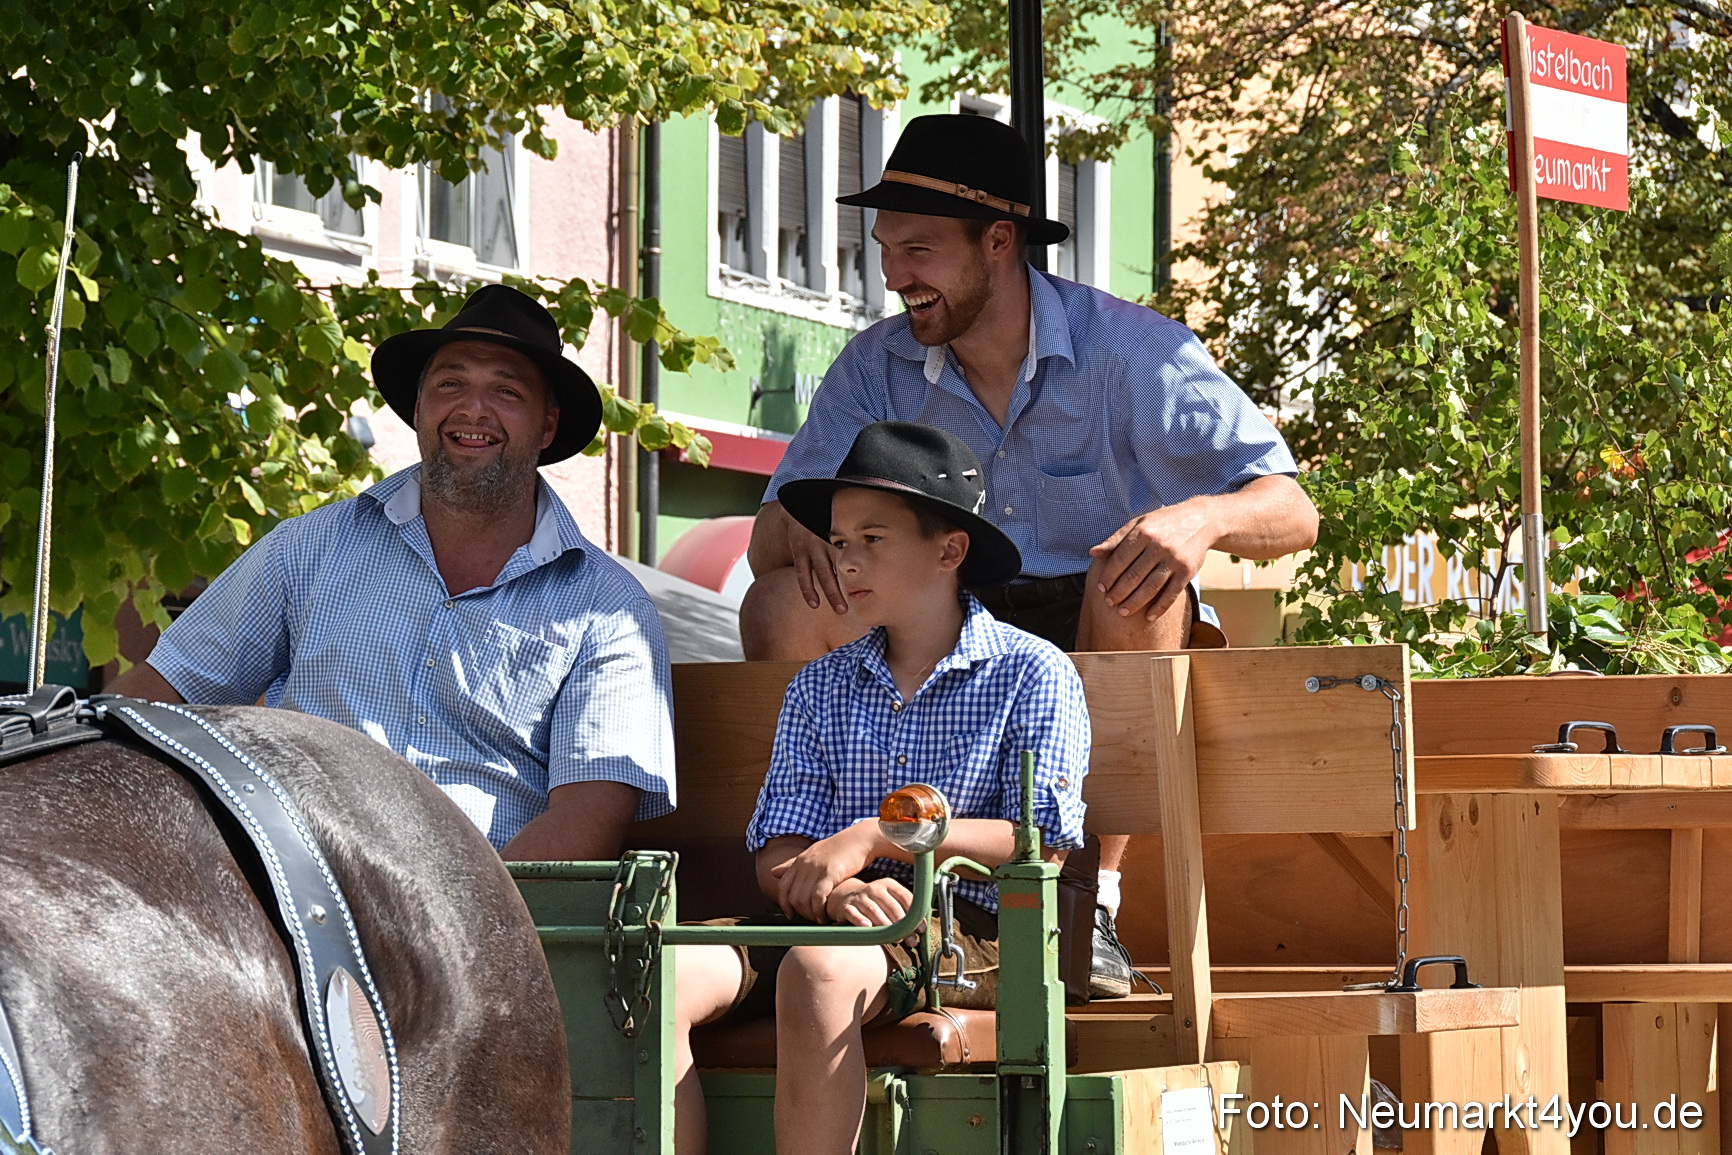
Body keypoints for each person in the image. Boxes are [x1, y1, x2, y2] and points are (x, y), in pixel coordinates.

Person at [738, 114, 1319, 997]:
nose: (894, 276)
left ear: (999, 242)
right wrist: (806, 528)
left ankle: (1093, 902)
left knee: (1144, 580)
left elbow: (1293, 507)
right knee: (780, 601)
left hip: (1095, 619)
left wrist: (1198, 520)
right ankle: (840, 883)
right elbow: (765, 537)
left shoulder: (1134, 352)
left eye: (920, 251)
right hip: (937, 606)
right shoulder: (871, 364)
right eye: (888, 250)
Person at [111, 285, 676, 861]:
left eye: (506, 391)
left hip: (480, 917)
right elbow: (158, 696)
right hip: (292, 886)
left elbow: (587, 822)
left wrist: (461, 931)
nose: (472, 410)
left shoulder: (610, 610)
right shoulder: (309, 548)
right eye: (450, 384)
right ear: (418, 408)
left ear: (547, 426)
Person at [674, 421, 1090, 1155]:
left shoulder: (1032, 672)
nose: (847, 561)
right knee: (658, 971)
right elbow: (779, 858)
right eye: (838, 541)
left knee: (819, 969)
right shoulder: (819, 687)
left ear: (949, 549)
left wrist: (875, 833)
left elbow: (1041, 844)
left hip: (976, 931)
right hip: (833, 918)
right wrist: (833, 891)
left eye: (873, 538)